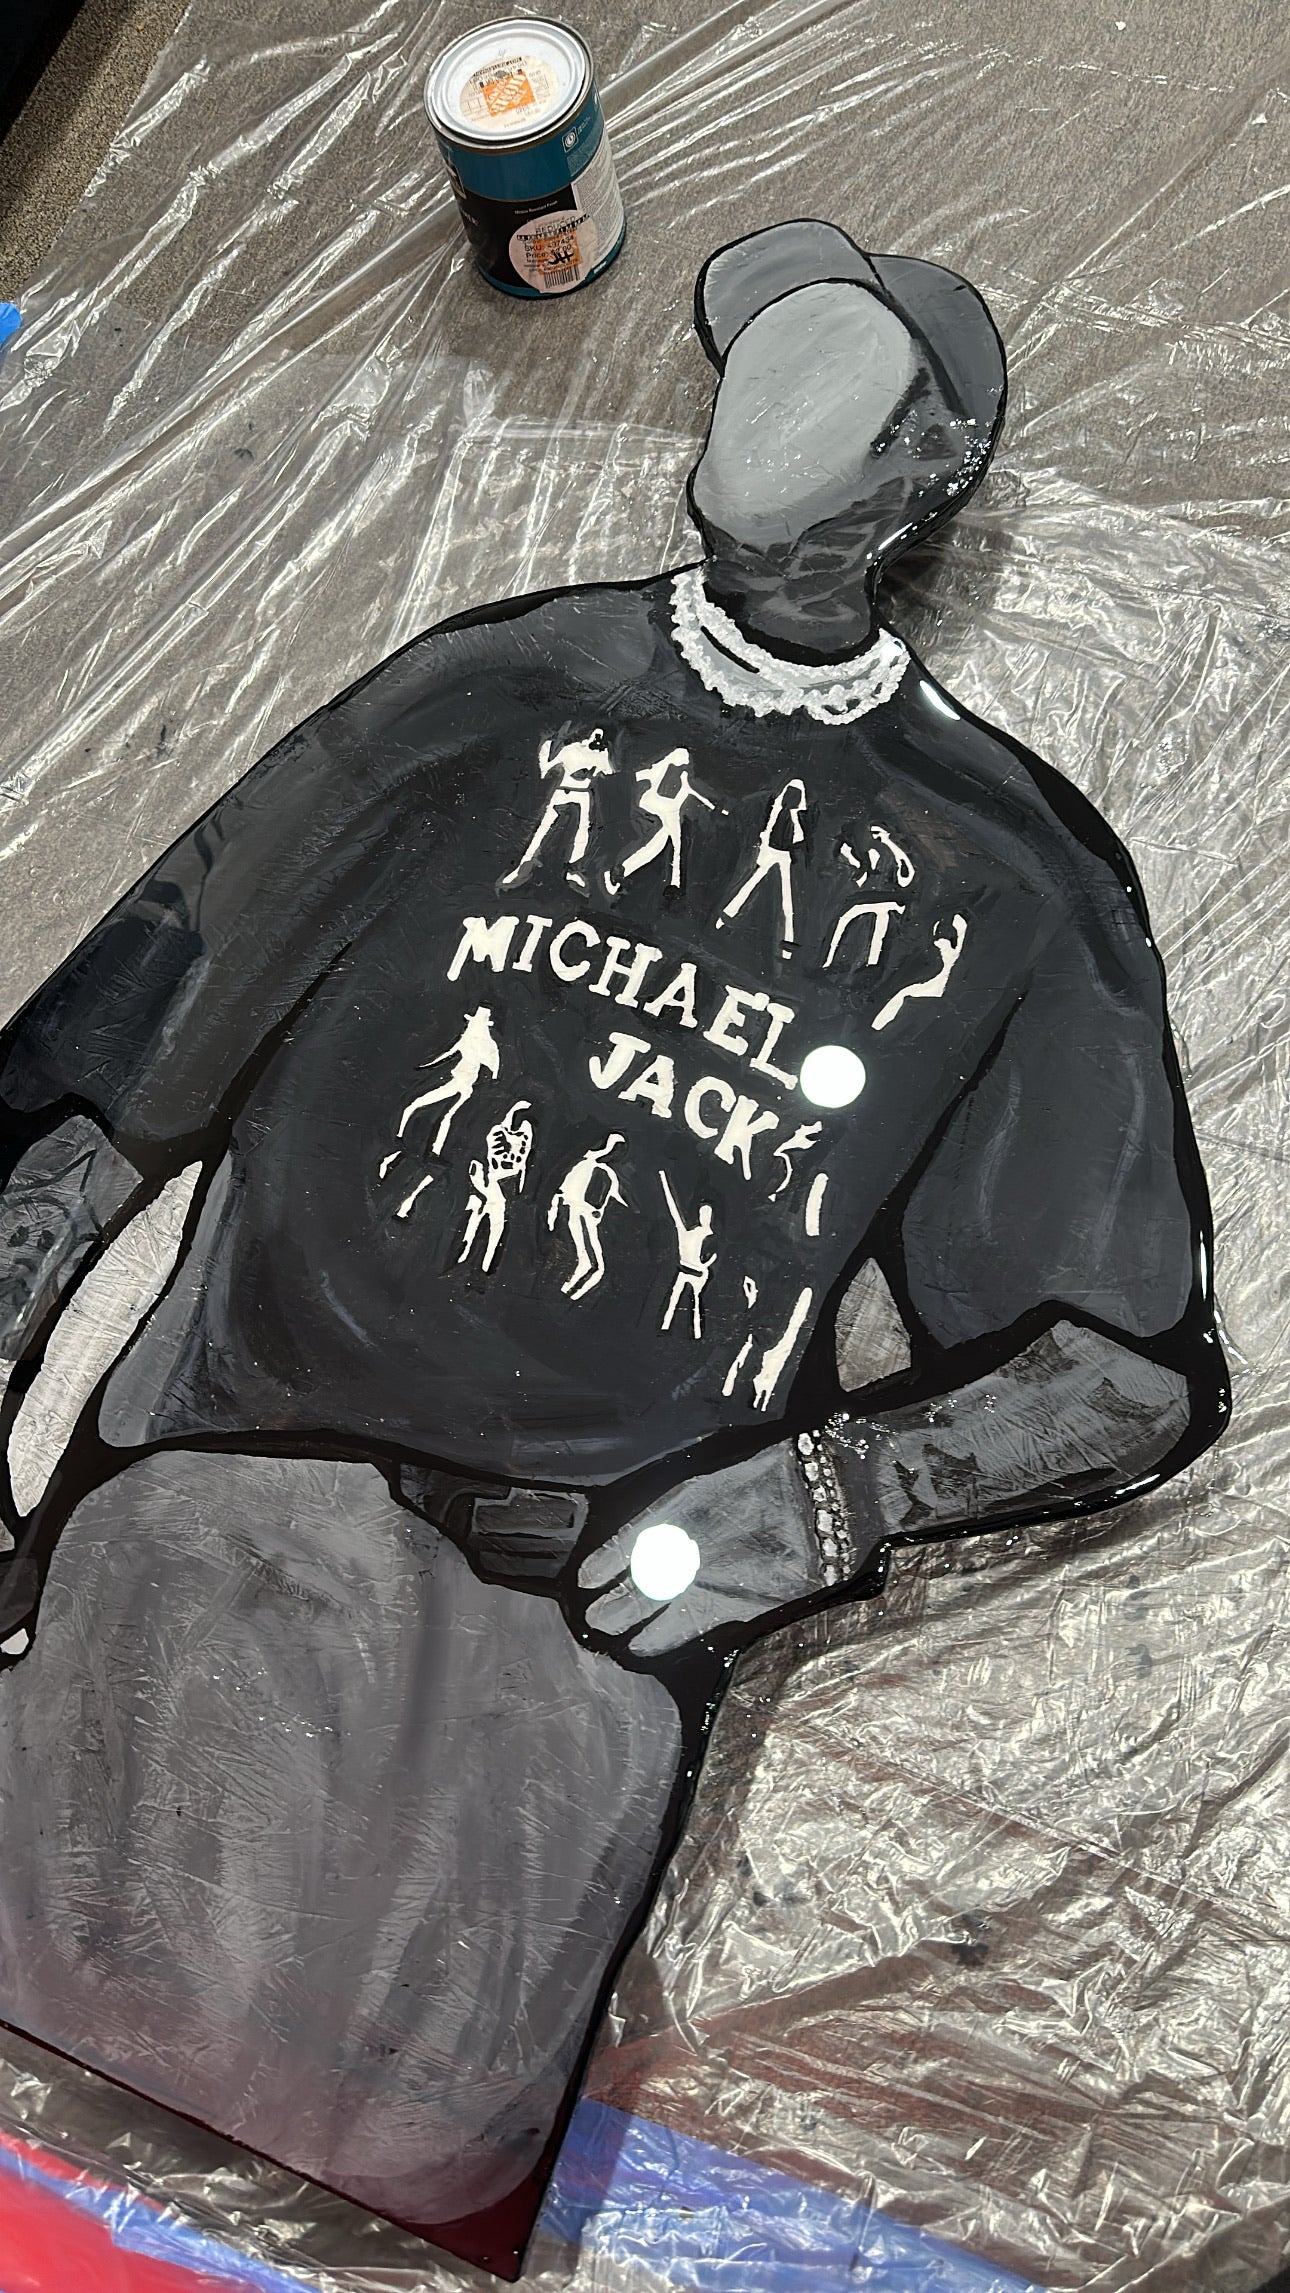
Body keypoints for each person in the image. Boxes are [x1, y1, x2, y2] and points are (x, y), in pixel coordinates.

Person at [0, 222, 1227, 2279]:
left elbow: (1122, 1367)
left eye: (843, 382)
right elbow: (98, 1071)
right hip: (204, 1532)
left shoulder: (1016, 870)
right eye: (769, 363)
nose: (777, 412)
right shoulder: (490, 695)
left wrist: (835, 1489)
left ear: (926, 476)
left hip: (569, 1650)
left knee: (370, 2177)